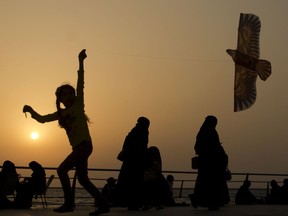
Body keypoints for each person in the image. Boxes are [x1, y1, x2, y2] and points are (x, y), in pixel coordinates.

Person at [23, 49, 109, 215]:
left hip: (84, 146)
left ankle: (69, 203)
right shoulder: (61, 114)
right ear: (60, 99)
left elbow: (81, 82)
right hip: (78, 148)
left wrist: (81, 61)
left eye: (71, 93)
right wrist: (31, 111)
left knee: (62, 170)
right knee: (83, 179)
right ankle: (103, 204)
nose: (69, 96)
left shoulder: (78, 105)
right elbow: (42, 119)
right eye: (65, 94)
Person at [190, 115, 229, 210]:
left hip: (205, 163)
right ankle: (212, 203)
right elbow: (215, 147)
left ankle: (198, 199)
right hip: (211, 163)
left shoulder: (202, 133)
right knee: (212, 183)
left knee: (203, 183)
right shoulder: (211, 132)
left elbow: (197, 147)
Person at [113, 117, 150, 210]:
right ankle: (134, 203)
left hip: (129, 161)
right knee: (135, 183)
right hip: (135, 162)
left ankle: (129, 203)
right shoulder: (142, 132)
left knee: (128, 182)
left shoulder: (133, 131)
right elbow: (142, 148)